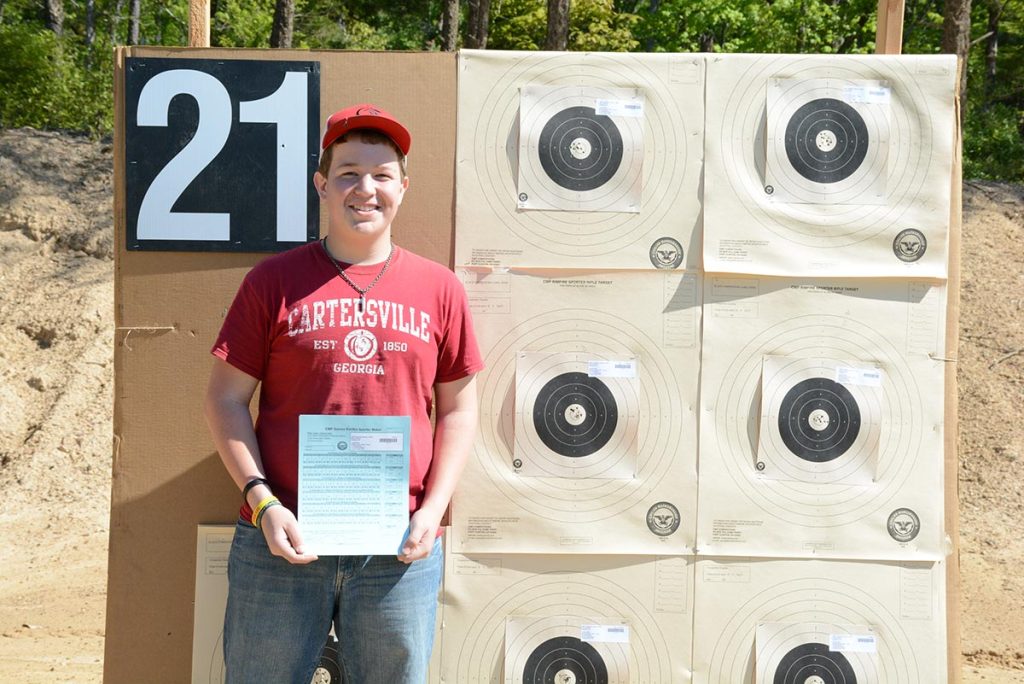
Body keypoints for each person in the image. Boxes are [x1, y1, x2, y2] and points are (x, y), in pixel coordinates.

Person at [204, 103, 482, 683]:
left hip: (398, 548)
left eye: (382, 175)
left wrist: (432, 512)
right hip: (281, 539)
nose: (366, 189)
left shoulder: (440, 289)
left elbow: (458, 409)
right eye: (350, 172)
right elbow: (226, 399)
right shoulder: (272, 282)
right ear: (322, 184)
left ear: (403, 188)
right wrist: (262, 502)